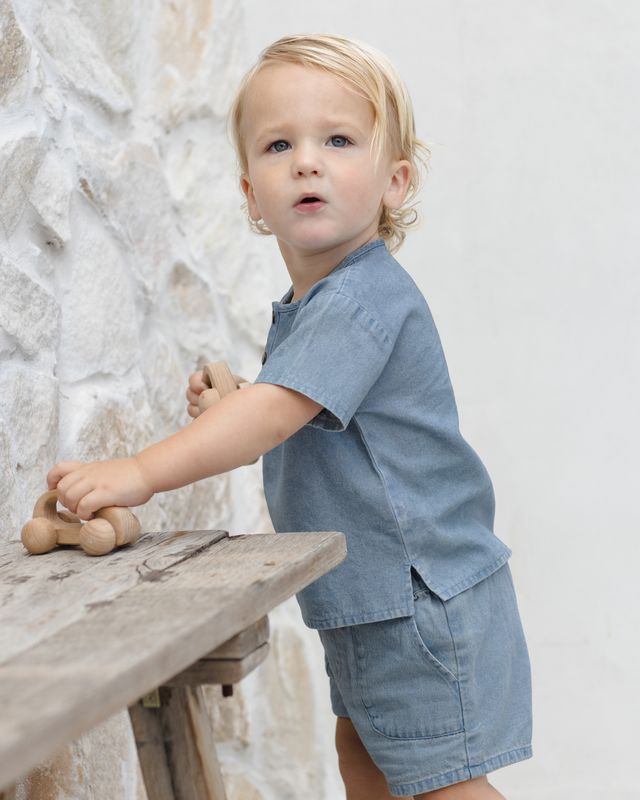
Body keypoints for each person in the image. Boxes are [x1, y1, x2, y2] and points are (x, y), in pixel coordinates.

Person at [48, 34, 532, 799]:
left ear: (394, 180)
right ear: (250, 196)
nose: (307, 160)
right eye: (280, 144)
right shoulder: (322, 305)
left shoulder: (359, 298)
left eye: (338, 139)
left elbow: (277, 416)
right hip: (382, 600)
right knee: (364, 758)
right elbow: (312, 412)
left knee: (444, 786)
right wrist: (243, 400)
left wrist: (140, 471)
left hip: (419, 600)